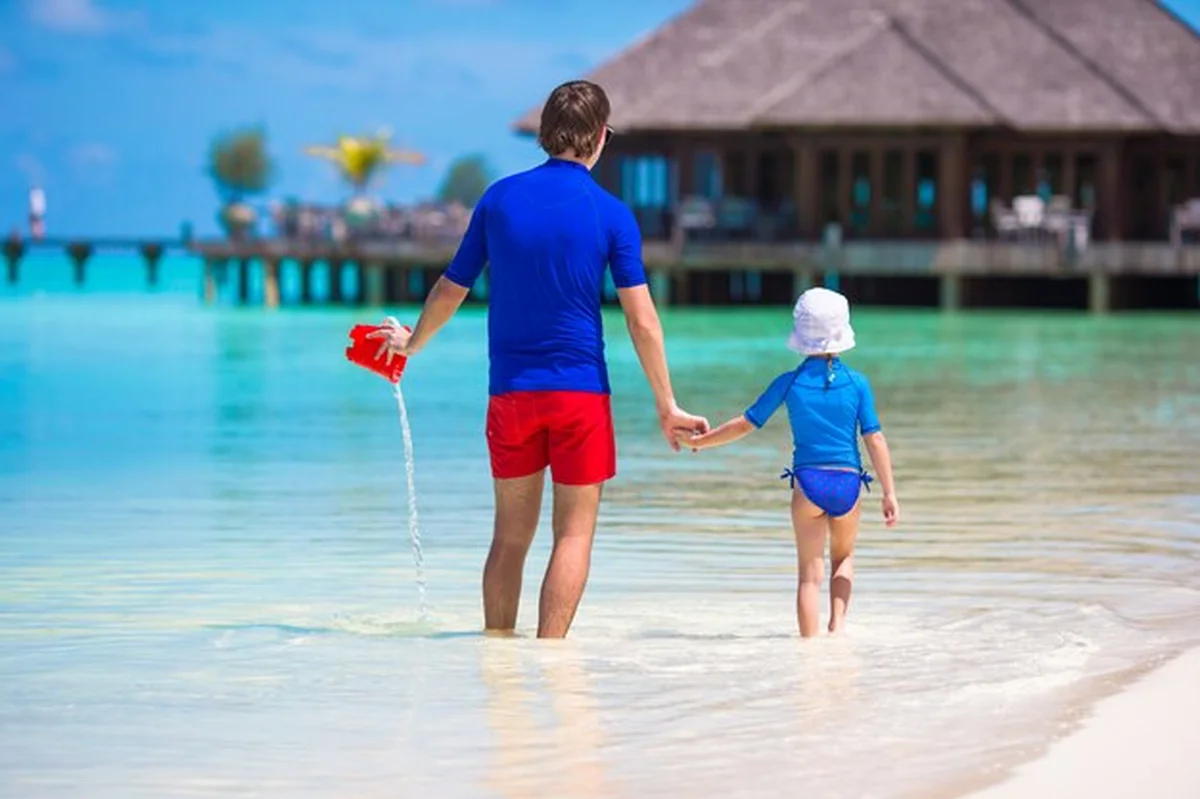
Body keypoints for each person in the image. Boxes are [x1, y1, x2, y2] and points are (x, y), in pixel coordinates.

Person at [369, 80, 709, 639]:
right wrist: (666, 404)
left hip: (511, 395)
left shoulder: (498, 199)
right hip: (580, 397)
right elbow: (643, 320)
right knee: (573, 537)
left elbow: (452, 288)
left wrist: (413, 343)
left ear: (545, 134)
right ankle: (549, 659)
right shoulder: (611, 213)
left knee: (509, 537)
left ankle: (497, 658)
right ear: (601, 138)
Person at [676, 288, 898, 638]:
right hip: (848, 484)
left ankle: (808, 653)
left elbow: (746, 423)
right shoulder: (858, 383)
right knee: (843, 559)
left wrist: (702, 443)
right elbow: (875, 438)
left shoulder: (789, 382)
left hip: (807, 485)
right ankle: (837, 630)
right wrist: (889, 493)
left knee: (809, 576)